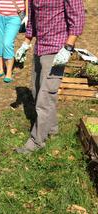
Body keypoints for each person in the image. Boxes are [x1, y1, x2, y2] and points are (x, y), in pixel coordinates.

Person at [14, 0, 85, 153]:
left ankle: (36, 141)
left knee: (45, 97)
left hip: (57, 49)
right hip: (40, 47)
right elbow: (32, 19)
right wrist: (26, 43)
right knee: (37, 91)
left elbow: (77, 17)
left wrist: (67, 47)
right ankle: (52, 129)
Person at [0, 0, 28, 83]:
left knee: (7, 43)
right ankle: (1, 69)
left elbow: (27, 1)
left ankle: (9, 72)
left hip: (14, 17)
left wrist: (27, 15)